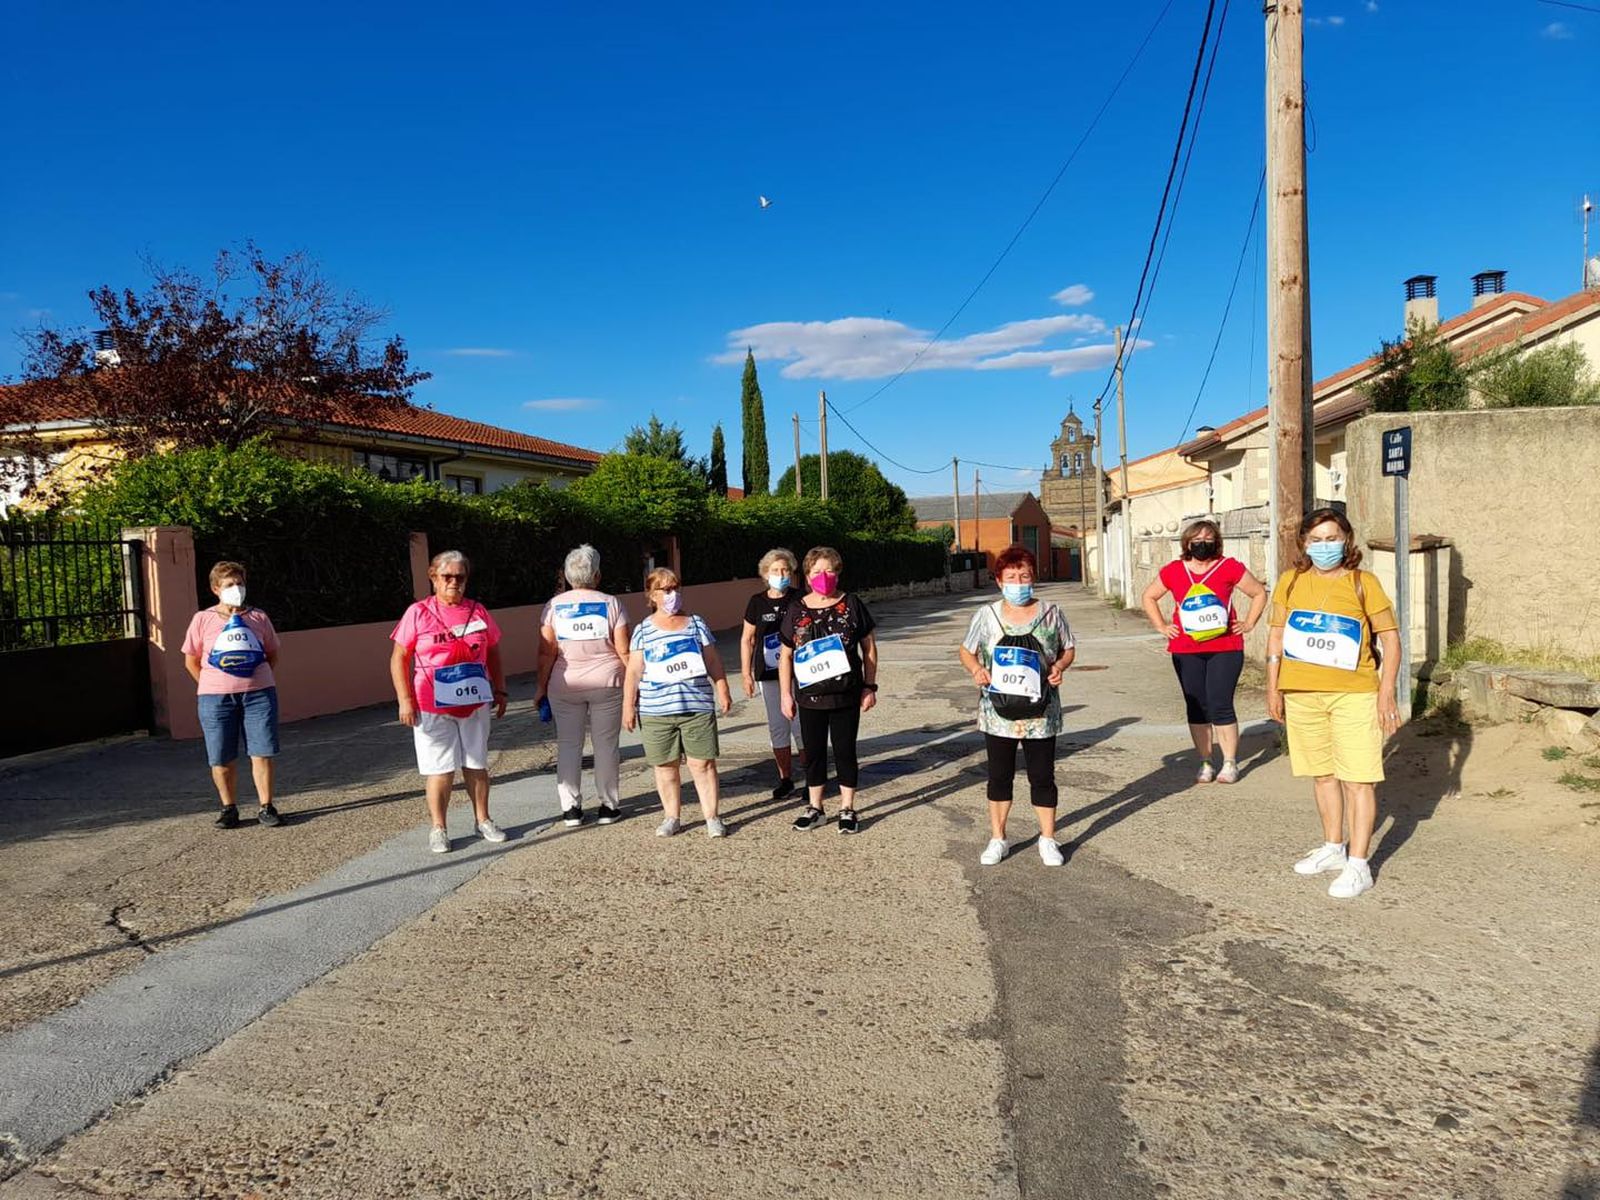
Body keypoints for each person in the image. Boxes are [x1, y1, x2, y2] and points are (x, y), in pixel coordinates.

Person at [1266, 508, 1402, 900]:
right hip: (1302, 694)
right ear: (1304, 544)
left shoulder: (1364, 583)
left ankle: (1359, 865)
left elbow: (1390, 641)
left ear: (1347, 540)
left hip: (1354, 694)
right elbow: (1276, 638)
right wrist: (1273, 687)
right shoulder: (1290, 583)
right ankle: (1333, 847)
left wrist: (1386, 691)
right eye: (1316, 540)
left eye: (1332, 538)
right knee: (1323, 775)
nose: (1325, 546)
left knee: (1357, 779)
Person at [958, 545, 1075, 866]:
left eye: (1024, 576)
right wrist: (976, 670)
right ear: (999, 580)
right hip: (998, 713)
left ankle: (1048, 839)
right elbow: (966, 650)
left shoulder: (1052, 612)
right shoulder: (986, 615)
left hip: (1042, 713)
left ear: (1033, 577)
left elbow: (1068, 648)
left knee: (1042, 776)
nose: (1019, 583)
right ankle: (998, 838)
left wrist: (1059, 667)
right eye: (1011, 577)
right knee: (999, 776)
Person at [389, 550, 510, 853]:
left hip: (475, 700)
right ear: (433, 578)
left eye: (460, 577)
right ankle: (438, 828)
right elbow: (399, 659)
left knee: (476, 764)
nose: (454, 582)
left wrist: (501, 689)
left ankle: (483, 820)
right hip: (431, 704)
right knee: (439, 769)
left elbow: (493, 651)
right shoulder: (417, 612)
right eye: (447, 577)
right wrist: (405, 700)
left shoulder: (478, 611)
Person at [1140, 519, 1268, 784]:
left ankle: (1230, 763)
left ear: (1217, 542)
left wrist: (1249, 622)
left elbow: (1258, 593)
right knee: (1197, 706)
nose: (1202, 543)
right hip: (1186, 648)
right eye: (1197, 539)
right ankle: (1206, 761)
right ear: (1187, 543)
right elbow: (1149, 596)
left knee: (1221, 703)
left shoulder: (1229, 567)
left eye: (1209, 539)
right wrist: (1162, 626)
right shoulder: (1175, 570)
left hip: (1226, 646)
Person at [622, 567, 733, 837]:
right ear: (652, 595)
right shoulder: (643, 630)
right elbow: (634, 671)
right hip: (656, 710)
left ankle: (712, 818)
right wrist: (628, 705)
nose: (672, 594)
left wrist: (723, 688)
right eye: (665, 590)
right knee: (665, 766)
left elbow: (712, 660)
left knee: (703, 764)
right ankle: (672, 817)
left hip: (696, 706)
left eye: (675, 588)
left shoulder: (696, 623)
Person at [778, 546, 878, 834]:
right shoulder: (796, 609)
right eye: (817, 571)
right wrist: (786, 694)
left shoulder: (852, 604)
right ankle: (816, 808)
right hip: (809, 697)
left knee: (846, 751)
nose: (824, 576)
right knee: (814, 753)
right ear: (807, 576)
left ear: (838, 572)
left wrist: (869, 686)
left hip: (846, 693)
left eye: (829, 570)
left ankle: (847, 808)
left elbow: (869, 648)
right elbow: (785, 655)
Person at [181, 560, 284, 829]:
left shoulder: (258, 617)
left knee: (262, 752)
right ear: (216, 588)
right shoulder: (202, 619)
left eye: (239, 583)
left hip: (258, 695)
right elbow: (191, 660)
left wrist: (252, 677)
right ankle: (229, 808)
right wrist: (212, 684)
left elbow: (272, 653)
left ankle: (266, 806)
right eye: (229, 584)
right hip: (215, 698)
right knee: (221, 755)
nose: (236, 589)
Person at [535, 544, 630, 827]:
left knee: (568, 745)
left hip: (565, 684)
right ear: (597, 575)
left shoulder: (553, 607)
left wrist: (540, 687)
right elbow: (624, 649)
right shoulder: (612, 603)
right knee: (606, 746)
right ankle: (608, 807)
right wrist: (636, 684)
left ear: (566, 575)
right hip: (607, 683)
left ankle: (571, 810)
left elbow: (546, 651)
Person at [740, 548, 805, 799]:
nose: (781, 574)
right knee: (778, 726)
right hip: (768, 673)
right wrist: (746, 674)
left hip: (799, 672)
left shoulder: (800, 598)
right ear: (765, 574)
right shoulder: (757, 602)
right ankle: (785, 779)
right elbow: (747, 639)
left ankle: (812, 780)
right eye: (776, 570)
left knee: (801, 726)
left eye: (785, 570)